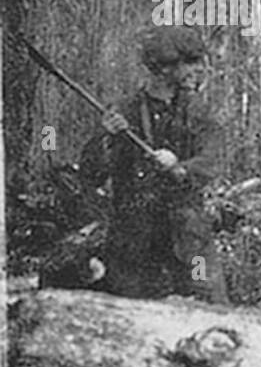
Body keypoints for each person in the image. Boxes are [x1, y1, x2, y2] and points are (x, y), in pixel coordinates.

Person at [81, 25, 229, 303]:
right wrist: (106, 137)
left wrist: (180, 167)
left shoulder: (198, 112)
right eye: (189, 64)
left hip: (188, 239)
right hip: (135, 244)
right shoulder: (123, 112)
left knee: (212, 307)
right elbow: (92, 173)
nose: (196, 71)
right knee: (128, 316)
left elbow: (213, 159)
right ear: (164, 69)